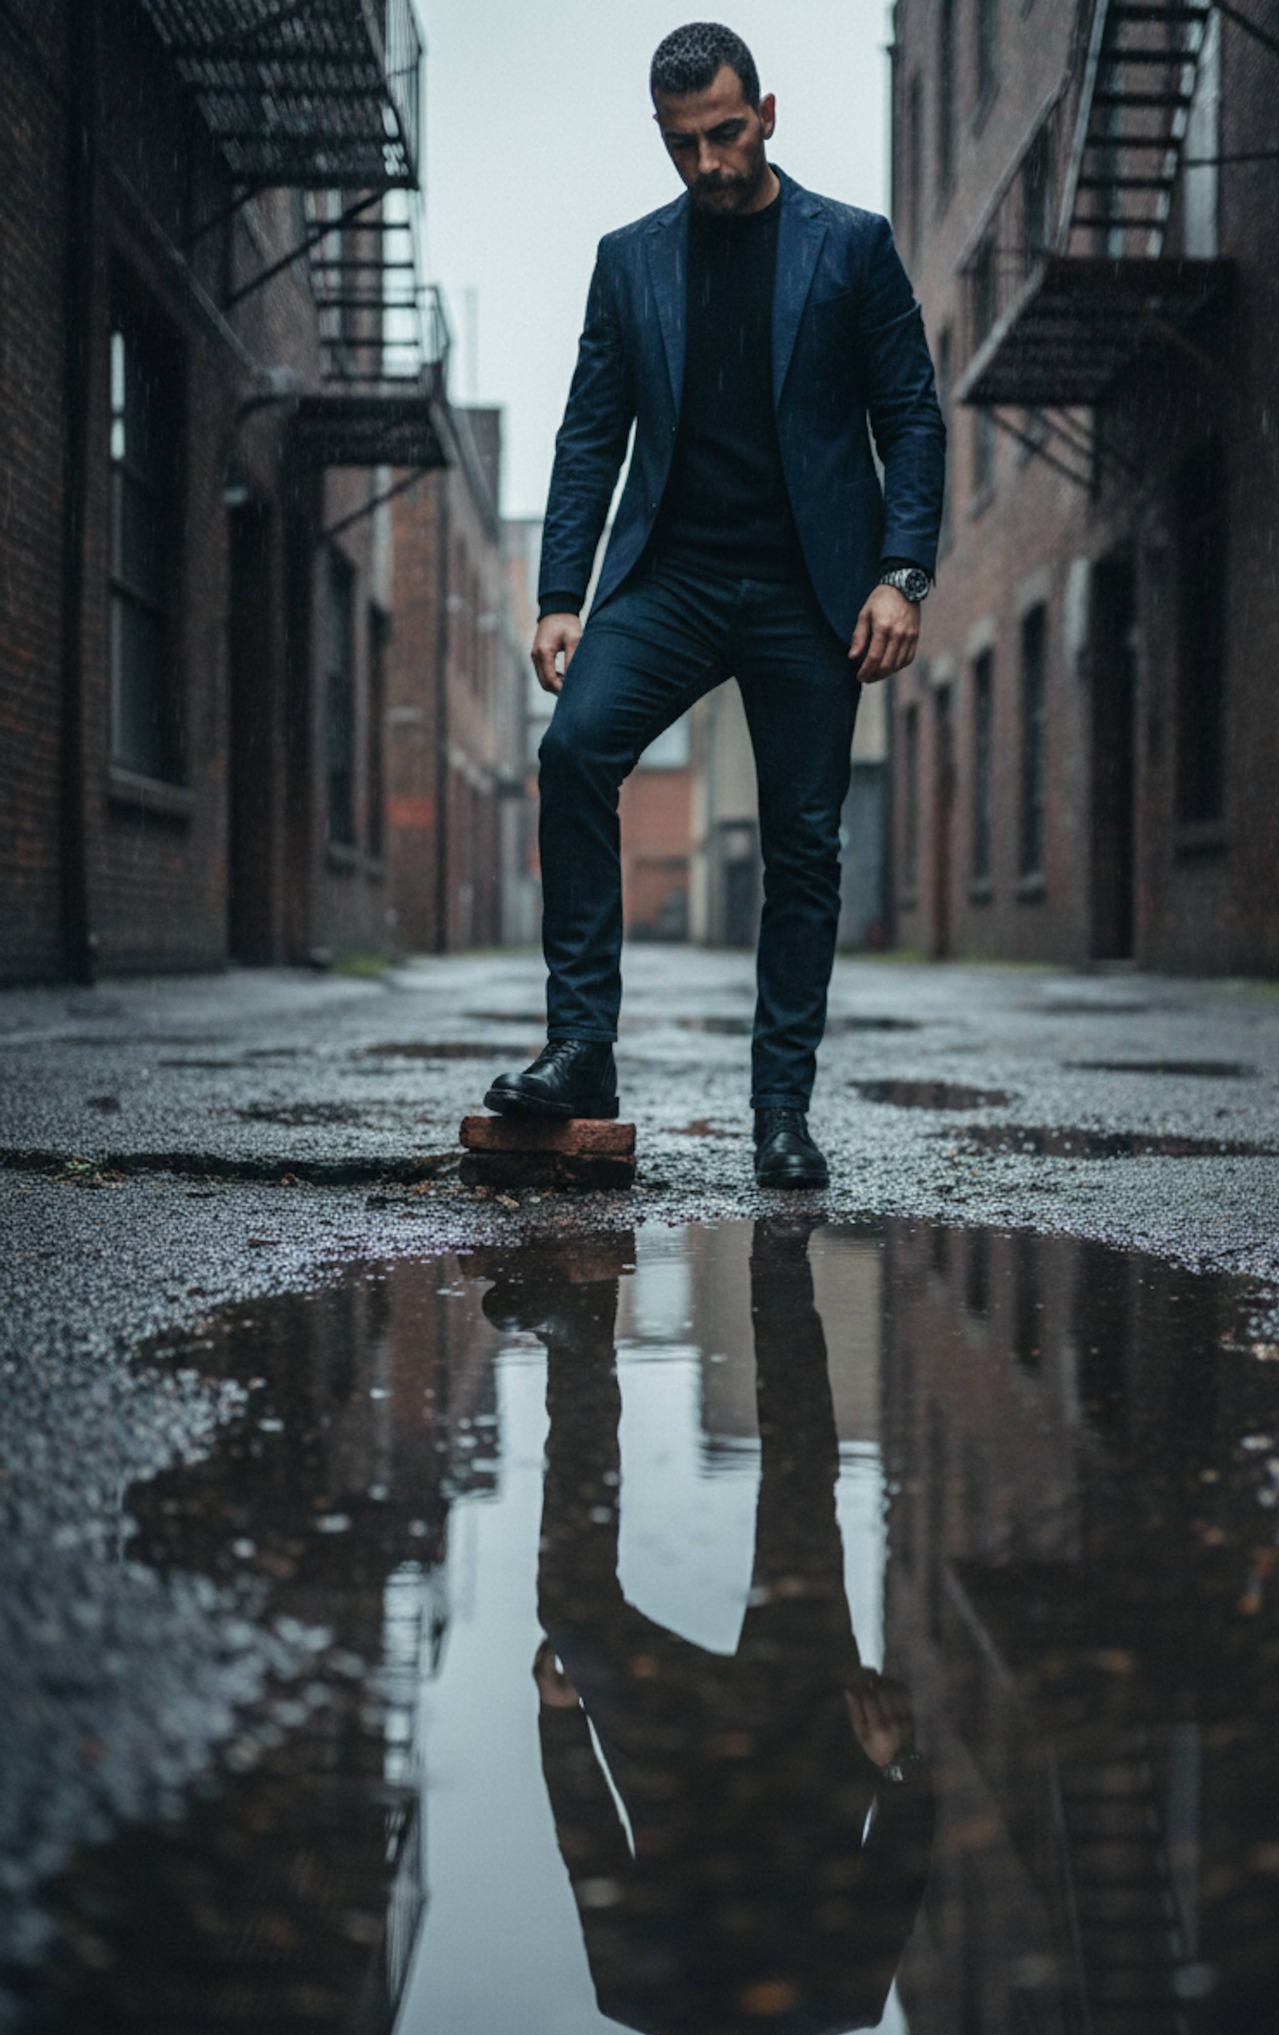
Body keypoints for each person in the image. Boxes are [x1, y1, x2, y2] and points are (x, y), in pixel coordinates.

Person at [486, 21, 945, 1190]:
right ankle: (582, 1049)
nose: (709, 165)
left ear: (769, 114)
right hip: (671, 580)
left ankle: (780, 1111)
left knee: (801, 846)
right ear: (663, 136)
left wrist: (903, 574)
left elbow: (912, 417)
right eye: (684, 144)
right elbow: (591, 433)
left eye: (727, 135)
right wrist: (559, 592)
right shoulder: (628, 259)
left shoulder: (852, 247)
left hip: (809, 587)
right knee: (578, 748)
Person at [502, 1218, 934, 2035]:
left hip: (668, 1750)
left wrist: (560, 1722)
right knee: (802, 1494)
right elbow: (902, 1860)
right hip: (810, 1733)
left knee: (568, 1608)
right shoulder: (847, 1998)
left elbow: (588, 1849)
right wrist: (901, 1763)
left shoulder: (631, 1997)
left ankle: (577, 1330)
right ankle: (780, 1268)